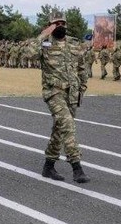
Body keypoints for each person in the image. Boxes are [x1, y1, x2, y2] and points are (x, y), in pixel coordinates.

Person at [37, 12, 90, 183]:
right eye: (56, 23)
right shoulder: (44, 43)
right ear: (49, 25)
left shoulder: (74, 44)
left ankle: (48, 165)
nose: (60, 26)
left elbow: (81, 68)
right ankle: (77, 166)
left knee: (60, 130)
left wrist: (82, 87)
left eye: (62, 23)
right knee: (67, 125)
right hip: (54, 93)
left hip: (72, 94)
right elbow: (27, 53)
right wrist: (43, 34)